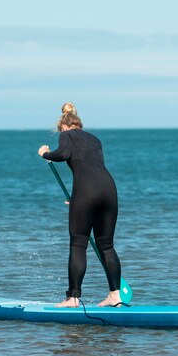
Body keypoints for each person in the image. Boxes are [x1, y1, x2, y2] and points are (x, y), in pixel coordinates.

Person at [38, 102, 123, 308]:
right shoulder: (95, 139)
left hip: (87, 193)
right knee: (107, 245)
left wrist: (45, 154)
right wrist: (78, 198)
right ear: (79, 124)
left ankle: (73, 298)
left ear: (63, 126)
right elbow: (90, 168)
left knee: (78, 243)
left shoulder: (66, 135)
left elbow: (63, 154)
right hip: (109, 190)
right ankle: (115, 296)